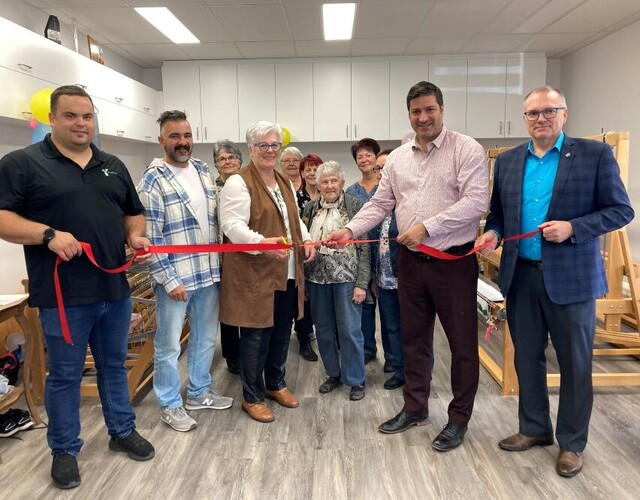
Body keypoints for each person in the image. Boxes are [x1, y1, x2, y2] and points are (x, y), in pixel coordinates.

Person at [0, 85, 154, 489]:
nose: (81, 123)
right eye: (70, 115)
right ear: (52, 118)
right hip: (63, 297)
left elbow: (132, 213)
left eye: (87, 115)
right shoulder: (23, 163)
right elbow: (2, 219)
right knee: (65, 376)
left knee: (113, 367)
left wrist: (135, 237)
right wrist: (47, 233)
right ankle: (65, 450)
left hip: (113, 290)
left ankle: (122, 431)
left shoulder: (112, 164)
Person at [476, 86, 634, 477]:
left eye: (550, 111)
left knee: (574, 364)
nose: (541, 118)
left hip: (572, 280)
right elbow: (497, 213)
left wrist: (573, 228)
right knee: (526, 358)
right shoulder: (511, 161)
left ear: (565, 114)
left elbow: (620, 210)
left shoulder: (595, 155)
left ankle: (572, 444)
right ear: (524, 118)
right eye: (532, 113)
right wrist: (493, 234)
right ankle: (534, 428)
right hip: (522, 277)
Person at [329, 81, 488, 452]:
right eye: (416, 111)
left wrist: (427, 227)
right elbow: (381, 202)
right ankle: (415, 408)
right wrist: (350, 229)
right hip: (410, 265)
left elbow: (476, 202)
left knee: (462, 346)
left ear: (442, 110)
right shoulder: (399, 158)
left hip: (453, 263)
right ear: (409, 115)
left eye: (429, 109)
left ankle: (458, 419)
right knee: (413, 341)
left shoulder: (466, 149)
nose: (423, 117)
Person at [137, 111, 233, 433]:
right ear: (161, 140)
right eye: (175, 136)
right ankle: (169, 404)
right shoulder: (153, 180)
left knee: (205, 339)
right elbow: (150, 238)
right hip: (175, 279)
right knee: (169, 347)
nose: (182, 142)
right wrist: (168, 279)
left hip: (208, 273)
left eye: (187, 136)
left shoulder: (204, 171)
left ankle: (198, 392)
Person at [219, 121, 315, 423]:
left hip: (285, 270)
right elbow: (232, 226)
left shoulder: (283, 180)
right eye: (263, 145)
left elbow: (295, 219)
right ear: (251, 149)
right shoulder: (238, 182)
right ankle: (252, 396)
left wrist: (308, 239)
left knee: (281, 332)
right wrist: (261, 243)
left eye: (275, 144)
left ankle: (275, 383)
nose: (270, 150)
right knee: (256, 335)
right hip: (256, 273)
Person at [302, 161, 369, 400]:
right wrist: (304, 283)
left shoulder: (355, 205)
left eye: (333, 181)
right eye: (324, 181)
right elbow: (304, 244)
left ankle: (356, 379)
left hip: (347, 280)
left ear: (341, 183)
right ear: (317, 185)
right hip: (317, 280)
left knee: (350, 330)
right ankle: (333, 373)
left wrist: (362, 283)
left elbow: (365, 249)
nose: (329, 185)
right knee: (324, 330)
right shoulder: (310, 209)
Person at [345, 138, 382, 366]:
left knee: (389, 310)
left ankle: (393, 356)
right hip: (362, 256)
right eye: (360, 156)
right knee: (366, 305)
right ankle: (368, 349)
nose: (364, 159)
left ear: (376, 158)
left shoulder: (387, 186)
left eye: (368, 154)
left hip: (387, 254)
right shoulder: (351, 191)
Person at [372, 149, 404, 390]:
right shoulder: (378, 203)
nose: (382, 172)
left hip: (407, 278)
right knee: (391, 326)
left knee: (414, 329)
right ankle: (398, 368)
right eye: (378, 169)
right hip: (384, 278)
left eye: (385, 167)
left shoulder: (407, 201)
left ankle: (417, 372)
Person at [212, 139, 244, 375]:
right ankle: (232, 355)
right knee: (228, 309)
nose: (227, 161)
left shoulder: (247, 186)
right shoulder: (210, 191)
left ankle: (251, 352)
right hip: (218, 258)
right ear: (215, 164)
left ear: (240, 161)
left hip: (245, 255)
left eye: (231, 157)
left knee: (247, 305)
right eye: (222, 158)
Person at [294, 153, 324, 362]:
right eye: (308, 169)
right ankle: (304, 341)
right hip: (302, 255)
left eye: (315, 168)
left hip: (326, 256)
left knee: (320, 300)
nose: (312, 173)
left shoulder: (329, 194)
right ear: (302, 173)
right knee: (302, 299)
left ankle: (323, 336)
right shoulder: (295, 196)